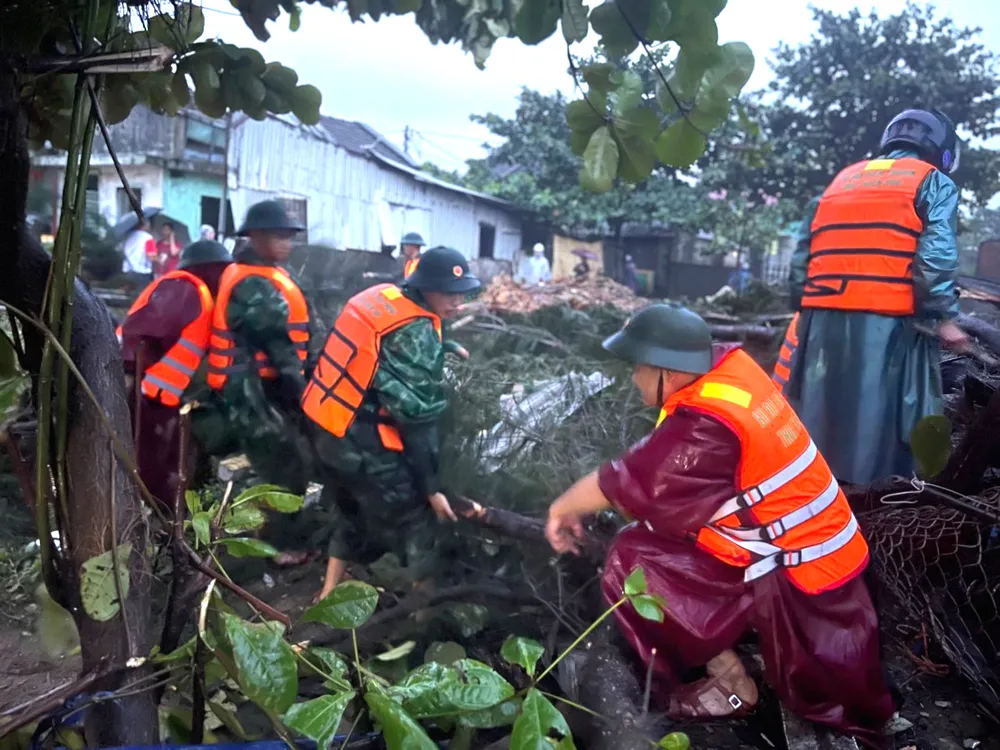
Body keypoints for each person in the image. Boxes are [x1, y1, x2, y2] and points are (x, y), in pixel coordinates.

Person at [544, 305, 894, 748]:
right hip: (810, 554)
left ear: (668, 371)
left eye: (638, 366)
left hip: (802, 582)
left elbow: (632, 480)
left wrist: (562, 508)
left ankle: (731, 682)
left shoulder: (709, 424)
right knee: (646, 541)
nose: (633, 378)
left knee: (630, 561)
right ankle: (730, 669)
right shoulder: (732, 376)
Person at [785, 108, 968, 484]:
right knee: (882, 422)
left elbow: (801, 257)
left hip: (822, 319)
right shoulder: (932, 182)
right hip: (888, 322)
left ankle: (815, 492)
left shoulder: (841, 181)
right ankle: (879, 501)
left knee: (822, 415)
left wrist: (804, 308)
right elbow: (934, 259)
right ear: (942, 148)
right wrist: (945, 316)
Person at [302, 246, 482, 601]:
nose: (458, 302)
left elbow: (376, 351)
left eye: (462, 293)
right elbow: (418, 420)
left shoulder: (381, 296)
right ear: (426, 288)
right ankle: (421, 614)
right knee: (419, 520)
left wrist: (442, 346)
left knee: (350, 509)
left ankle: (327, 593)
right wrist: (433, 489)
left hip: (324, 426)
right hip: (360, 441)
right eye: (448, 293)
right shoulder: (416, 332)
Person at [206, 200, 314, 495]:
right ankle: (270, 536)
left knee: (286, 468)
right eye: (279, 236)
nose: (287, 243)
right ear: (255, 236)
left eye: (289, 236)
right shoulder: (252, 282)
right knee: (285, 474)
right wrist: (303, 398)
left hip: (262, 388)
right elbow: (279, 347)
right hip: (252, 392)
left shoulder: (262, 273)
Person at [118, 240, 233, 511]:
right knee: (148, 464)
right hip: (144, 394)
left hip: (159, 396)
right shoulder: (184, 287)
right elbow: (143, 334)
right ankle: (155, 518)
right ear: (209, 269)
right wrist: (127, 377)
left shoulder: (199, 295)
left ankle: (164, 518)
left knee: (162, 461)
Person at [122, 219, 157, 283]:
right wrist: (158, 260)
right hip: (142, 272)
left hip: (128, 270)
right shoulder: (148, 238)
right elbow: (151, 256)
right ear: (146, 226)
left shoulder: (128, 235)